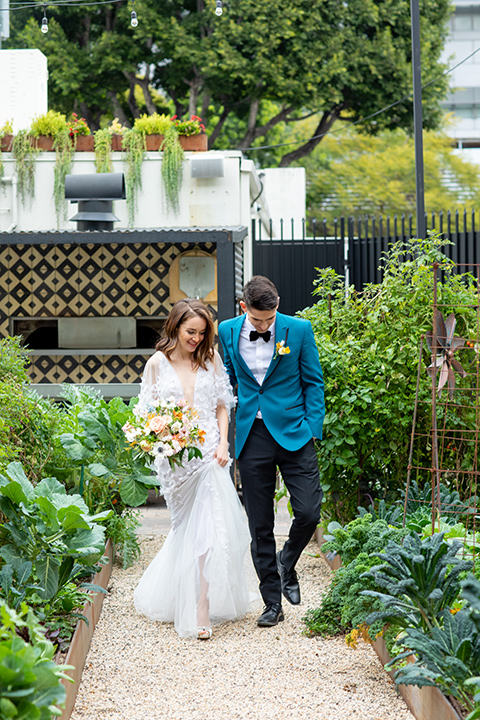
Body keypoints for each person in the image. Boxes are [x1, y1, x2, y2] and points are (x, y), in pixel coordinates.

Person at [133, 298, 251, 640]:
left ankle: (201, 605)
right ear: (175, 328)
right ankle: (176, 594)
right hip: (174, 457)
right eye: (190, 332)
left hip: (209, 452)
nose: (196, 339)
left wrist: (223, 444)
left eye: (202, 333)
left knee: (208, 530)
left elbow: (222, 407)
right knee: (184, 527)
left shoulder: (210, 358)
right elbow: (145, 413)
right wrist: (158, 437)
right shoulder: (157, 363)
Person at [218, 275, 324, 628]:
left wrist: (312, 428)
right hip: (252, 434)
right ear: (243, 307)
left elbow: (314, 381)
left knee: (309, 511)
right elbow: (230, 376)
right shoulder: (227, 331)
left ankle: (286, 560)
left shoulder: (299, 329)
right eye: (259, 320)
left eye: (272, 318)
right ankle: (271, 603)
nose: (267, 325)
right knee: (259, 524)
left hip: (295, 433)